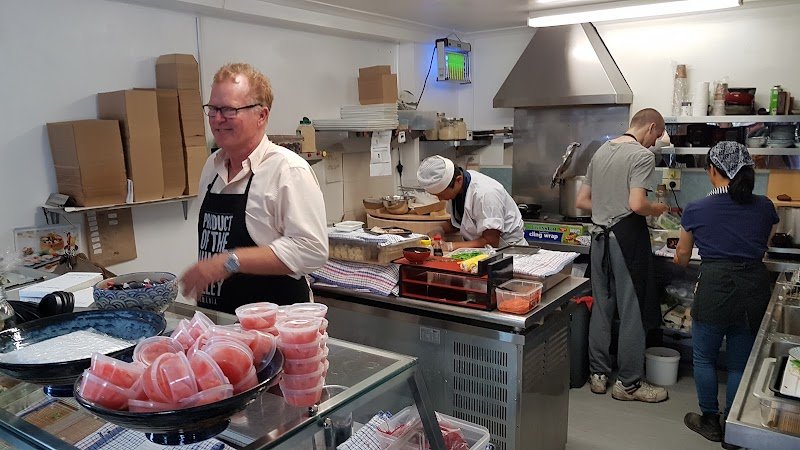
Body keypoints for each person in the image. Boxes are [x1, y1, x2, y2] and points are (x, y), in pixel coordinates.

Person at [179, 63, 328, 313]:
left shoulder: (287, 170)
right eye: (213, 109)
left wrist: (230, 261)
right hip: (221, 324)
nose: (217, 119)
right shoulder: (211, 167)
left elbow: (312, 250)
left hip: (274, 327)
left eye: (229, 110)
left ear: (262, 115)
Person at [675, 142, 778, 449]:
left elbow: (682, 256)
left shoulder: (697, 208)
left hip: (715, 286)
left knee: (704, 357)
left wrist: (685, 254)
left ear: (712, 170)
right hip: (753, 288)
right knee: (739, 364)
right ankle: (733, 429)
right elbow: (765, 243)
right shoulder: (765, 206)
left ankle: (710, 421)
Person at [575, 108, 670, 403]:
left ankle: (598, 376)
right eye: (657, 135)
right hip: (626, 240)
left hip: (599, 239)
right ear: (651, 128)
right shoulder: (642, 156)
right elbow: (637, 204)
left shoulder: (601, 151)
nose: (654, 142)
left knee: (602, 307)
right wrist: (657, 208)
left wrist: (608, 204)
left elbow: (582, 201)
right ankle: (628, 384)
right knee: (632, 310)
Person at [416, 155, 526, 249]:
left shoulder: (486, 195)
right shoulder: (460, 188)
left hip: (509, 251)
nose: (440, 199)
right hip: (482, 251)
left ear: (458, 180)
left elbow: (491, 241)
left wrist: (451, 246)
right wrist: (440, 230)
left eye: (441, 194)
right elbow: (462, 222)